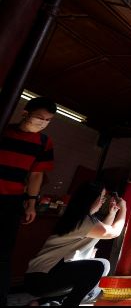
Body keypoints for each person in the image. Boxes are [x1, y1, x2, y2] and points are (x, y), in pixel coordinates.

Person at [25, 180, 127, 306]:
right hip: (43, 278)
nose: (102, 202)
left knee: (95, 269)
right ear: (91, 199)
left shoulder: (78, 218)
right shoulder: (84, 221)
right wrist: (123, 208)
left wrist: (113, 213)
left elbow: (102, 231)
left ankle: (40, 302)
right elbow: (113, 233)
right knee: (99, 266)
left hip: (38, 278)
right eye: (101, 198)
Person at [0, 97, 57, 306]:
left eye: (48, 120)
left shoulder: (44, 142)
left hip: (11, 201)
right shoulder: (4, 129)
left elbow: (36, 174)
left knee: (3, 253)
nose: (43, 123)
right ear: (25, 113)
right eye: (40, 117)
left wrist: (32, 203)